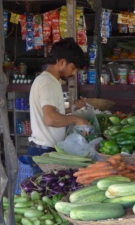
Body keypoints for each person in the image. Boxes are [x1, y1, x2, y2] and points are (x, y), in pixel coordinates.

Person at [27, 38, 90, 172]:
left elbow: (51, 112)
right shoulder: (48, 83)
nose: (73, 73)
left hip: (45, 149)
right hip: (44, 152)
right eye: (73, 68)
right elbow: (49, 119)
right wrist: (76, 119)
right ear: (62, 62)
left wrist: (71, 109)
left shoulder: (48, 80)